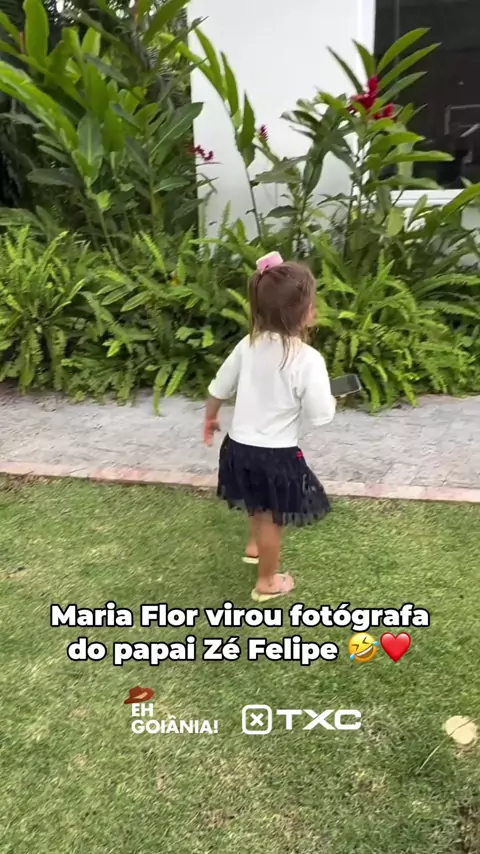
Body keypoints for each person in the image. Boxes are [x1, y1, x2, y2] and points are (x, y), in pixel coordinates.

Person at [203, 252, 336, 602]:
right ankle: (267, 581)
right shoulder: (308, 360)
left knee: (256, 502)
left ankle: (253, 546)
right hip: (276, 456)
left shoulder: (248, 345)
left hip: (237, 448)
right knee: (273, 519)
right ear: (305, 312)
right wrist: (331, 401)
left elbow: (219, 387)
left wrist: (210, 417)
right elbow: (321, 414)